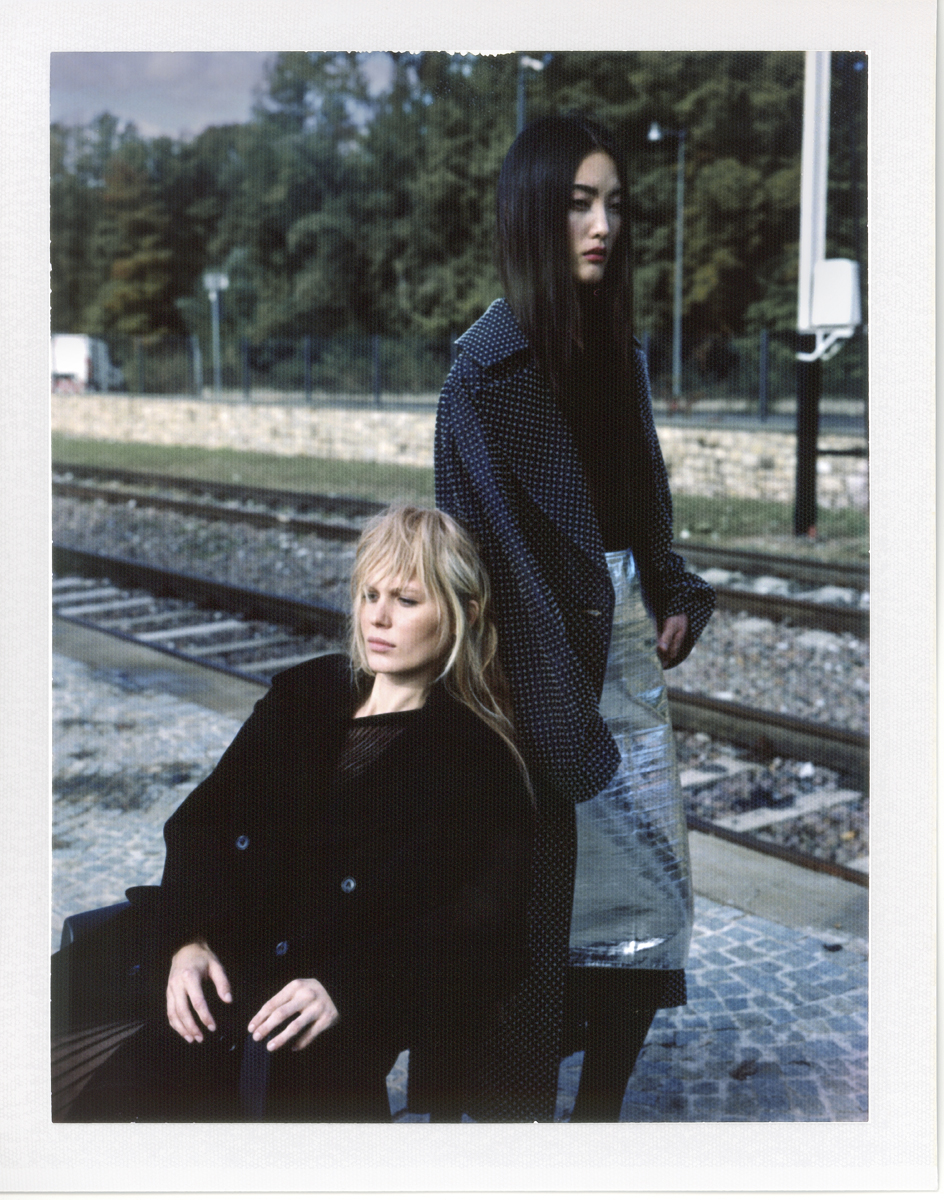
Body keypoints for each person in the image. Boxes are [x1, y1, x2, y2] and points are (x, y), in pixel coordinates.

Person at [61, 506, 534, 1122]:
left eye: (406, 600)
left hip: (301, 1016)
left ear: (464, 614)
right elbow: (202, 822)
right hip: (207, 966)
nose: (378, 618)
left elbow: (480, 927)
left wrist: (348, 987)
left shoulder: (475, 759)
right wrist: (186, 939)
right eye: (369, 594)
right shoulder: (307, 692)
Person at [434, 113, 716, 1122]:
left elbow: (640, 510)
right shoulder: (484, 372)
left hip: (626, 665)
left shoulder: (617, 356)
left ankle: (597, 1118)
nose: (602, 226)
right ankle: (513, 1127)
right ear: (530, 213)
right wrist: (526, 691)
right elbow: (475, 562)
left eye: (614, 206)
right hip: (533, 672)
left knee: (647, 905)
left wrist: (673, 587)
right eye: (578, 204)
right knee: (534, 919)